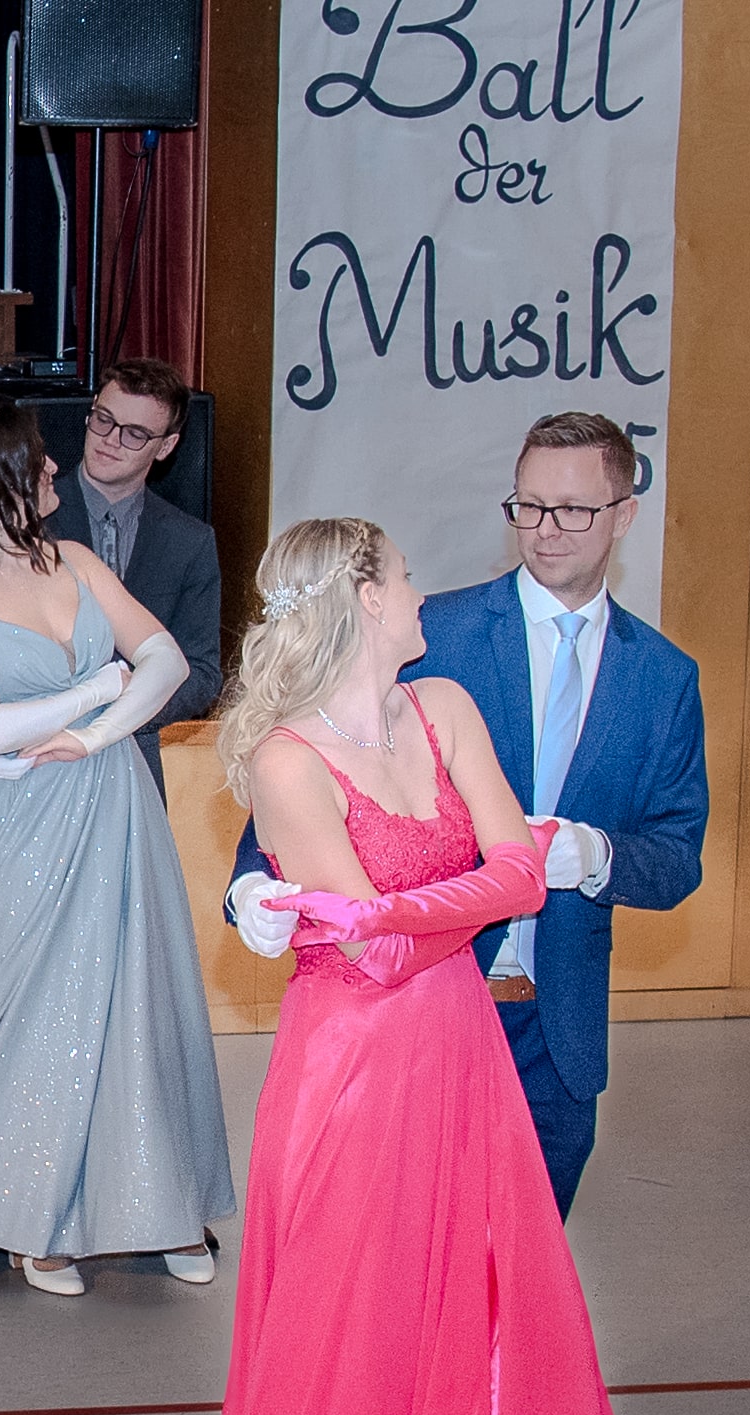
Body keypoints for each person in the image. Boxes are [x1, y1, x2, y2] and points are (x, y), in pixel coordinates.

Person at [204, 518, 662, 1415]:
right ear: (366, 598)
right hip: (353, 1070)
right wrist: (432, 907)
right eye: (406, 576)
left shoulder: (444, 705)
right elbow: (390, 944)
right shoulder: (284, 757)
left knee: (489, 1297)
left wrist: (390, 911)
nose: (422, 593)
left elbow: (522, 877)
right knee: (355, 1311)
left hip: (460, 1047)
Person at [229, 414, 709, 1215]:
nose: (545, 530)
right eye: (528, 506)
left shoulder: (663, 678)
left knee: (520, 1261)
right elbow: (306, 780)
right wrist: (249, 885)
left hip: (555, 1027)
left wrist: (597, 857)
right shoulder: (429, 636)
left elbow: (677, 857)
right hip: (413, 1014)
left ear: (624, 514)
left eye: (572, 510)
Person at [0, 399, 233, 1296]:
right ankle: (29, 1221)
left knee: (137, 1003)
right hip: (24, 820)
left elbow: (166, 662)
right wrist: (98, 692)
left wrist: (92, 734)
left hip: (114, 799)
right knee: (32, 1015)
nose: (55, 471)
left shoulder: (77, 560)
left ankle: (158, 1204)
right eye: (38, 462)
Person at [41, 358, 225, 797]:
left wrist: (119, 715)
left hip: (134, 768)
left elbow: (202, 671)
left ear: (166, 446)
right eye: (103, 419)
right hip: (35, 756)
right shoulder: (28, 516)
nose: (110, 440)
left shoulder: (190, 541)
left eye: (135, 434)